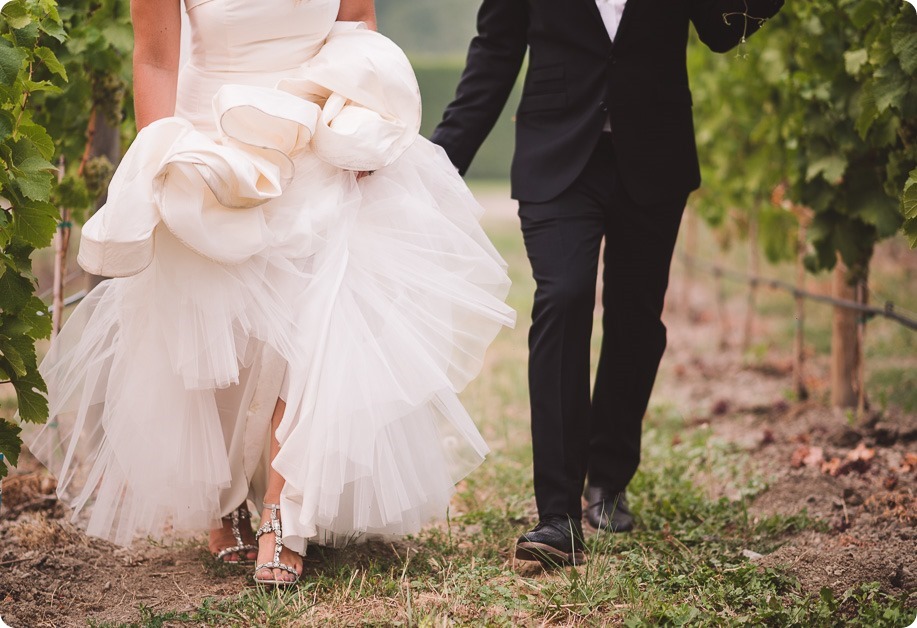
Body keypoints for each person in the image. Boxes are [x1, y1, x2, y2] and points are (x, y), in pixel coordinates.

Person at [25, 0, 514, 586]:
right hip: (212, 153)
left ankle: (286, 514)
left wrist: (362, 116)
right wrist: (162, 159)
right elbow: (156, 59)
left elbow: (355, 23)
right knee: (217, 336)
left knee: (310, 329)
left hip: (314, 154)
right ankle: (224, 498)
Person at [431, 0, 784, 566]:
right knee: (562, 297)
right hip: (556, 156)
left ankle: (609, 481)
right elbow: (496, 50)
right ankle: (557, 516)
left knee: (635, 318)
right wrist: (441, 161)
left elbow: (721, 31)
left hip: (655, 155)